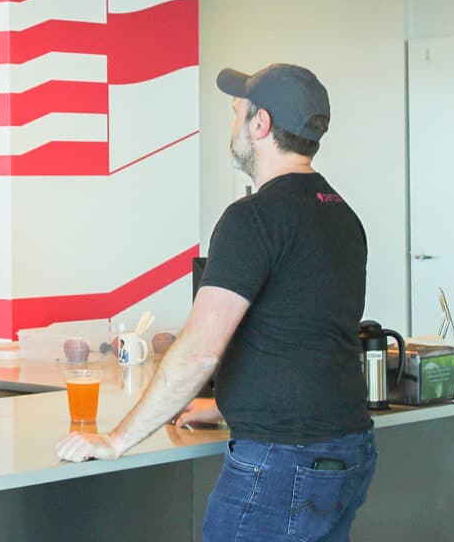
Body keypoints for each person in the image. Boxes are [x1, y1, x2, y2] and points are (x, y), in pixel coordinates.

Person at [56, 63, 377, 541]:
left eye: (236, 114)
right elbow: (300, 340)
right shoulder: (343, 218)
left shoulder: (253, 218)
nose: (232, 127)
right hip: (349, 449)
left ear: (261, 124)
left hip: (280, 462)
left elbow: (199, 349)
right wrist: (223, 405)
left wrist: (116, 439)